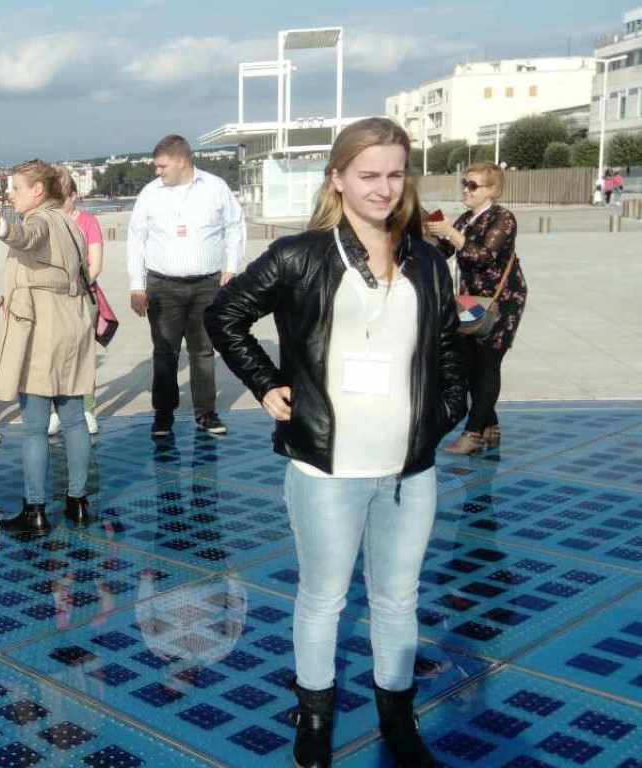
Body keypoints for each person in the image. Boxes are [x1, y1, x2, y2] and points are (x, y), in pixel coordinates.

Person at [205, 117, 464, 768]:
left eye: (394, 174)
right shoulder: (301, 255)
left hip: (409, 470)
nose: (383, 188)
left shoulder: (427, 261)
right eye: (368, 174)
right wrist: (264, 383)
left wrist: (443, 414)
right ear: (338, 178)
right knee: (323, 599)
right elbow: (225, 313)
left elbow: (446, 352)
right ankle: (315, 719)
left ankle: (397, 719)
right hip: (325, 468)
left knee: (398, 600)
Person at [0, 161, 96, 534]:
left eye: (16, 188)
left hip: (41, 332)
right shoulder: (71, 223)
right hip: (71, 327)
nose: (10, 194)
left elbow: (24, 238)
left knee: (34, 427)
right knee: (74, 420)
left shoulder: (42, 220)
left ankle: (35, 511)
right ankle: (78, 503)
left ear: (38, 190)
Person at [127, 134, 244, 437]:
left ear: (181, 161)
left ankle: (206, 414)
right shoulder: (150, 194)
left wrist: (232, 268)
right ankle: (163, 415)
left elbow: (234, 226)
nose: (157, 172)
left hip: (207, 285)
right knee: (165, 352)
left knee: (203, 351)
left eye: (162, 166)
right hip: (162, 286)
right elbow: (136, 240)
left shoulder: (215, 188)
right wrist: (137, 286)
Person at [428, 163, 527, 455]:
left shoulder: (503, 218)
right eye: (464, 183)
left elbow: (484, 256)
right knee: (469, 365)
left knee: (487, 364)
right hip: (470, 302)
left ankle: (472, 434)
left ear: (492, 190)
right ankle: (490, 427)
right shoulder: (466, 219)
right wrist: (431, 232)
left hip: (501, 302)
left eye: (473, 185)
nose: (466, 190)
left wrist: (451, 232)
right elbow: (443, 252)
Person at [49, 166, 104, 436]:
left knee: (84, 354)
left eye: (63, 197)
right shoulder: (48, 222)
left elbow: (96, 263)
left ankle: (87, 408)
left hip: (82, 294)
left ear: (73, 196)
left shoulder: (88, 222)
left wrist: (78, 287)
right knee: (55, 355)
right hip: (54, 299)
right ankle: (56, 411)